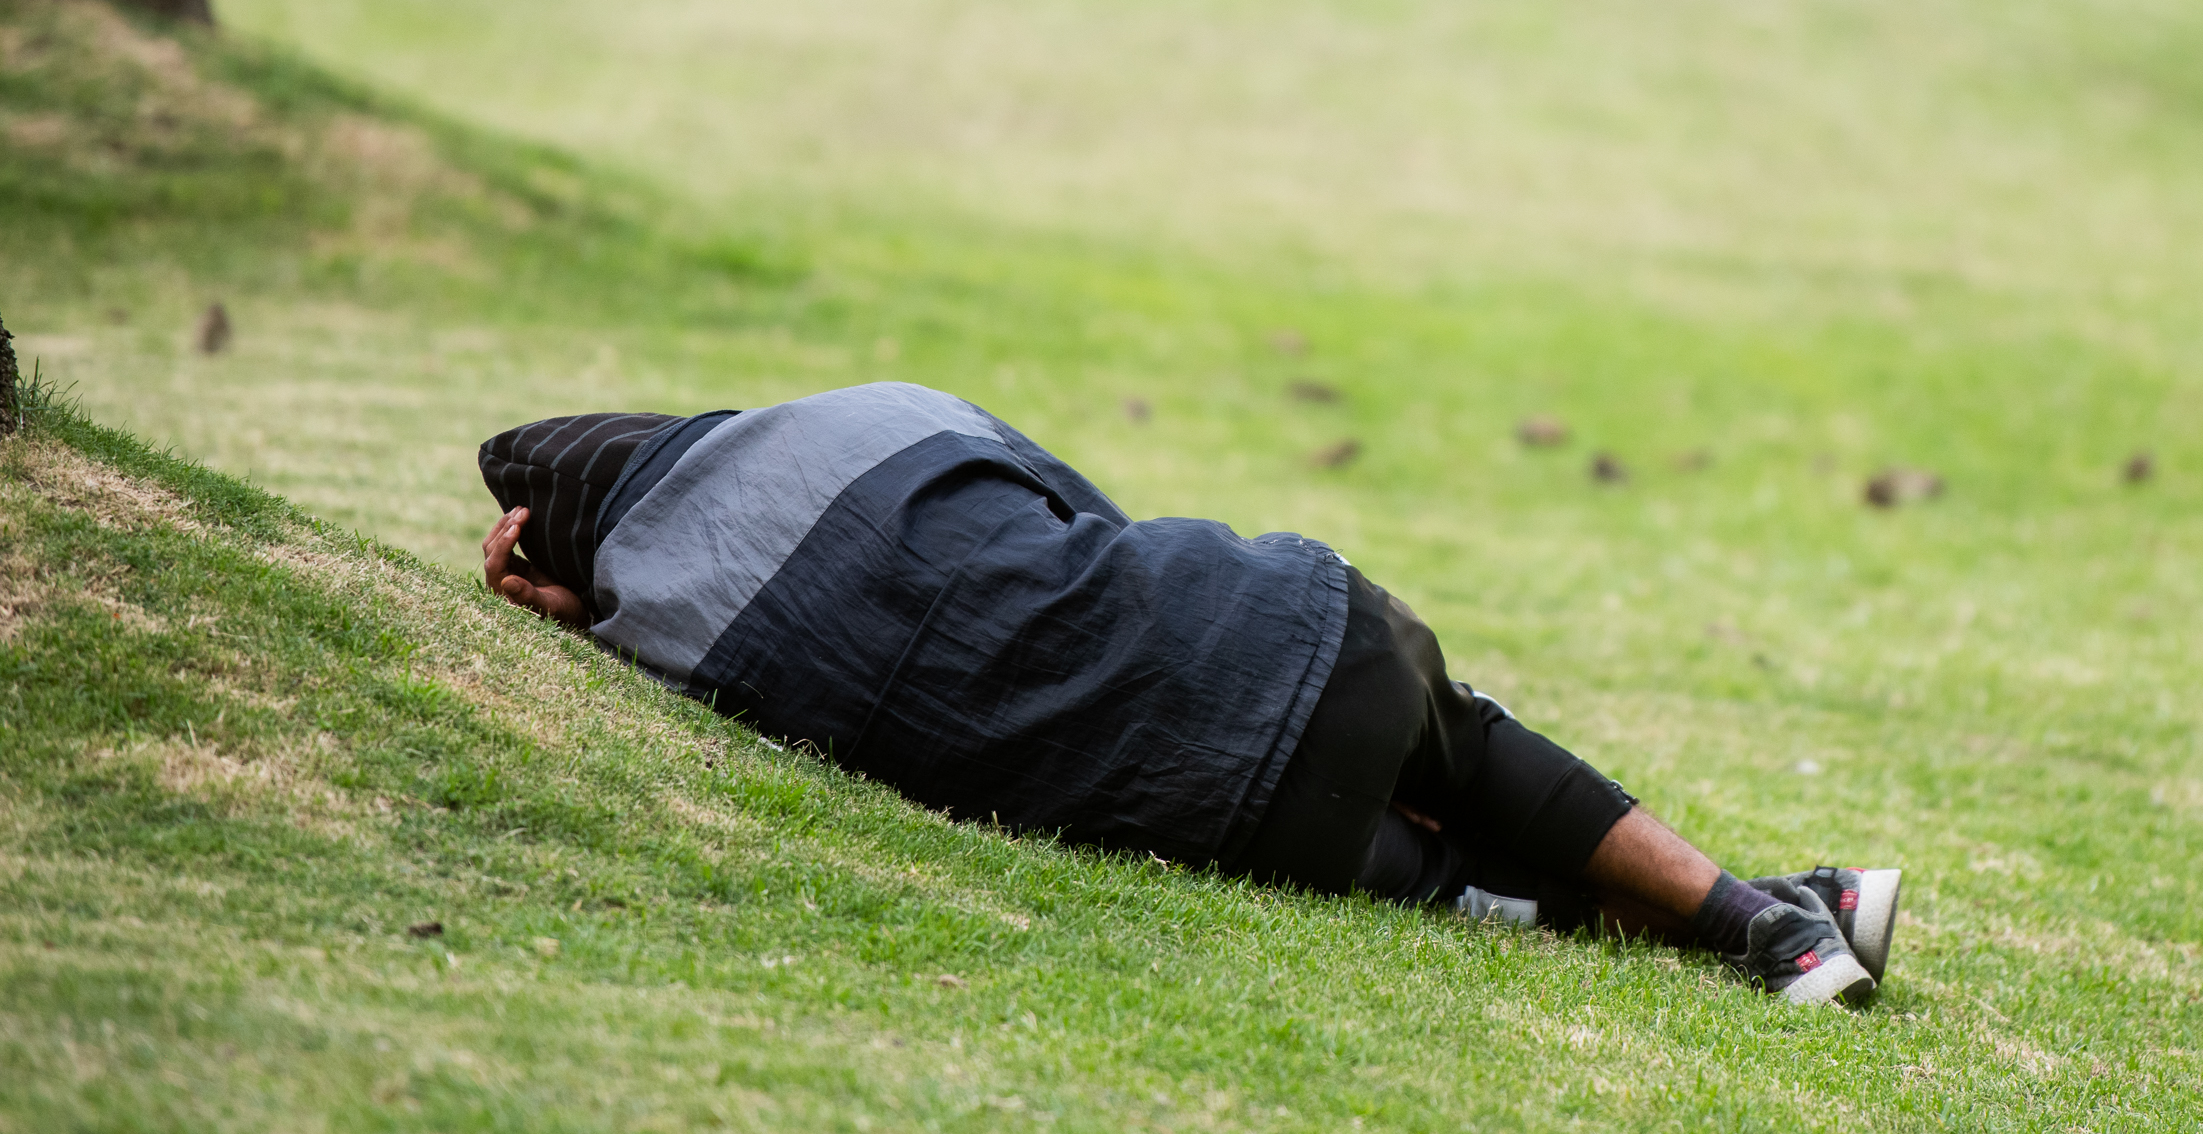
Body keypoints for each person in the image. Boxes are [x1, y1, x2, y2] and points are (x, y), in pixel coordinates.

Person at [478, 381, 1901, 1006]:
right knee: (1460, 740)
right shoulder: (876, 414)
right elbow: (1093, 511)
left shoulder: (670, 640)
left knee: (1441, 870)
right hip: (1311, 632)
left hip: (1226, 812)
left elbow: (639, 630)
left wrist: (571, 603)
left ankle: (1780, 921)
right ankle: (1770, 913)